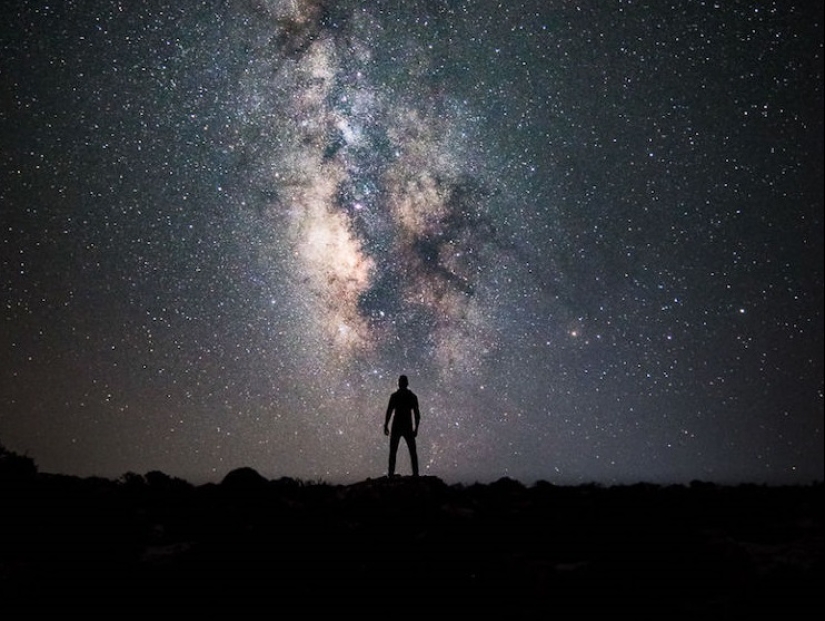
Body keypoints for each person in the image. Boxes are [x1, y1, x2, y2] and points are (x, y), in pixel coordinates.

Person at [383, 374, 421, 477]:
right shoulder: (411, 396)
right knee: (410, 451)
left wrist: (386, 425)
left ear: (400, 383)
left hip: (398, 426)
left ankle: (391, 474)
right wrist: (416, 428)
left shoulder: (395, 396)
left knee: (394, 451)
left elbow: (389, 411)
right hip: (405, 426)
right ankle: (415, 474)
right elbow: (417, 414)